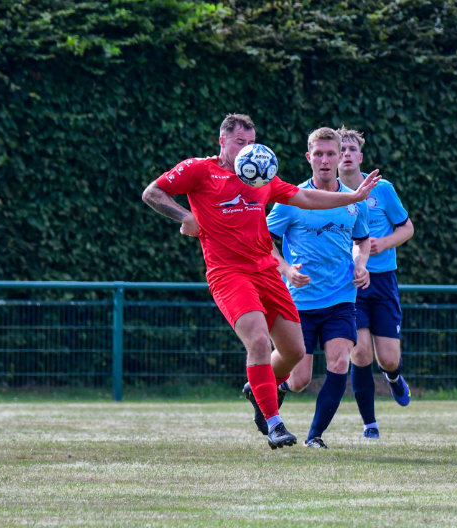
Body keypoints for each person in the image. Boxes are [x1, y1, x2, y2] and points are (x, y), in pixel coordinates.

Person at [141, 114, 381, 450]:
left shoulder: (261, 175)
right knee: (257, 341)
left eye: (251, 143)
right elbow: (152, 192)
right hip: (228, 273)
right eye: (240, 142)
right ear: (222, 141)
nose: (247, 150)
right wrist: (186, 216)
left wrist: (353, 198)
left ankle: (259, 389)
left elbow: (307, 198)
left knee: (295, 351)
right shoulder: (200, 170)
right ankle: (274, 423)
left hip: (266, 271)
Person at [265, 126, 372, 449]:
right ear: (308, 157)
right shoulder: (291, 199)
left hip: (341, 297)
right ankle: (266, 386)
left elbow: (362, 239)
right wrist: (286, 269)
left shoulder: (354, 201)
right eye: (319, 154)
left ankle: (315, 436)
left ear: (340, 157)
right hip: (299, 300)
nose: (325, 160)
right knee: (299, 380)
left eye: (331, 154)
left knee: (340, 362)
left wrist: (361, 263)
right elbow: (263, 240)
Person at [336, 125, 415, 440]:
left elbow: (407, 228)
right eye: (340, 150)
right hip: (350, 282)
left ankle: (394, 378)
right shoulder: (325, 193)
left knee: (389, 359)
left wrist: (384, 243)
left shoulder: (382, 189)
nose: (346, 155)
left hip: (382, 281)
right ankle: (370, 424)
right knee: (361, 355)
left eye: (351, 150)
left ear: (360, 157)